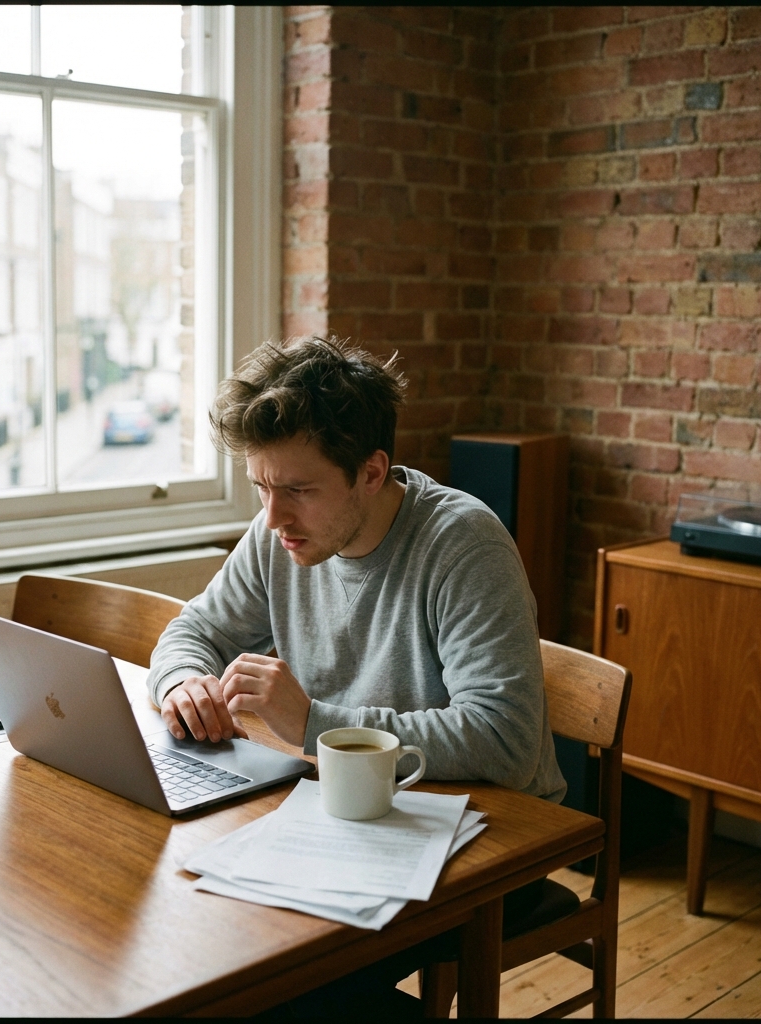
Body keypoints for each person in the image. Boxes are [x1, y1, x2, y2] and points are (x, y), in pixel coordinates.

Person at [146, 335, 566, 1016]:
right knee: (217, 944)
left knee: (279, 978)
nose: (273, 516)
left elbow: (507, 740)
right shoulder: (278, 532)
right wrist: (182, 682)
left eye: (298, 490)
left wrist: (316, 723)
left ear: (372, 473)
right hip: (349, 820)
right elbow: (194, 631)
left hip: (488, 838)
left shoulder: (463, 544)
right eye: (260, 486)